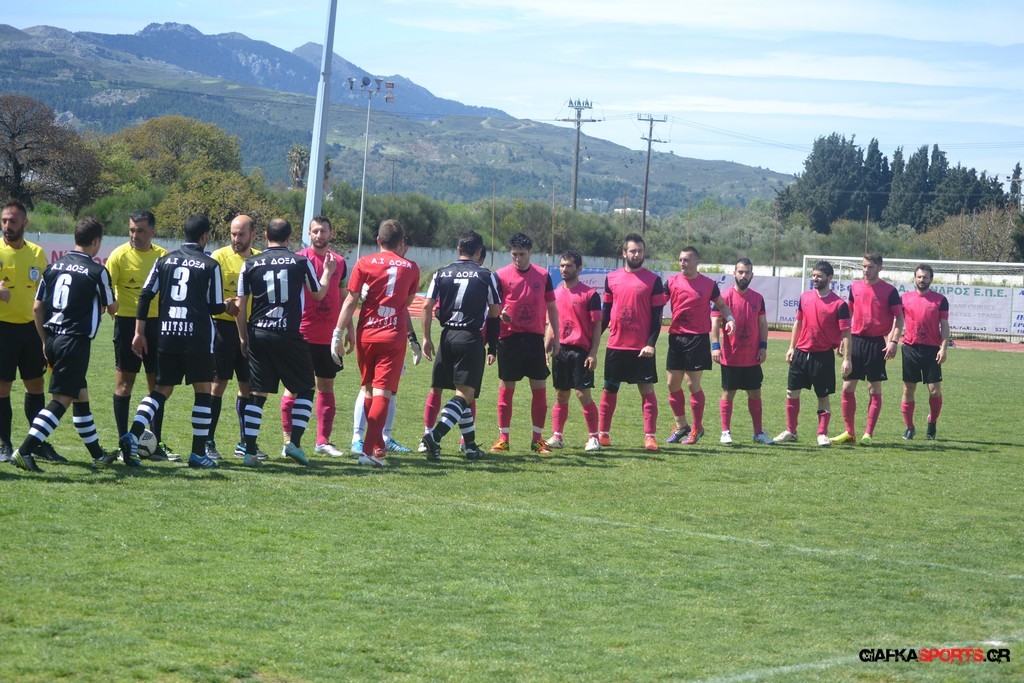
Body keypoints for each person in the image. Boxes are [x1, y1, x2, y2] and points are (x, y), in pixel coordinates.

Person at [119, 214, 237, 469]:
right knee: (203, 390)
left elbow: (145, 294)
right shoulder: (210, 265)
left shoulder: (164, 260)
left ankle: (133, 434)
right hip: (197, 338)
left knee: (160, 391)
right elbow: (214, 306)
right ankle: (198, 453)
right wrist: (228, 306)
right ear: (204, 237)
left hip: (168, 334)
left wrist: (139, 332)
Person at [11, 217, 117, 472]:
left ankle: (97, 454)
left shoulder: (53, 268)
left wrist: (45, 342)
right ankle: (24, 451)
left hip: (53, 339)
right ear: (96, 241)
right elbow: (113, 308)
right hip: (74, 342)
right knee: (62, 400)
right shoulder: (97, 271)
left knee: (81, 395)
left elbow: (37, 308)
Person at [236, 218, 335, 467]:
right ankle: (294, 443)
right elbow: (318, 294)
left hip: (259, 333)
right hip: (288, 334)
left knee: (257, 393)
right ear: (290, 238)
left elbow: (240, 305)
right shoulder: (300, 261)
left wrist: (243, 337)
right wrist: (327, 272)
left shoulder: (250, 263)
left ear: (265, 236)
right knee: (306, 388)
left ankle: (249, 451)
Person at [332, 219, 419, 466]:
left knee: (369, 390)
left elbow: (351, 300)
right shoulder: (411, 267)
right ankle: (368, 452)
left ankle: (378, 445)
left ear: (378, 240)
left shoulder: (364, 262)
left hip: (366, 334)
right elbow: (406, 302)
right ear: (401, 243)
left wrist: (337, 333)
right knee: (383, 393)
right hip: (391, 336)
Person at [420, 231, 502, 462]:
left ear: (458, 249)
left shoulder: (441, 272)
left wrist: (426, 338)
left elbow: (426, 307)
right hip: (469, 338)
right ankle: (434, 435)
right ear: (479, 252)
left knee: (464, 395)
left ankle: (471, 446)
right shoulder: (486, 275)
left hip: (447, 336)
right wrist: (492, 346)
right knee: (465, 394)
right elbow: (495, 312)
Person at [106, 210, 179, 461]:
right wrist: (113, 308)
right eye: (131, 230)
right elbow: (106, 290)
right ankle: (123, 443)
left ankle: (155, 442)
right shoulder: (118, 256)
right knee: (124, 384)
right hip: (127, 326)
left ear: (153, 232)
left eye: (140, 231)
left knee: (156, 386)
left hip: (157, 326)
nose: (134, 235)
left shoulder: (163, 257)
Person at [282, 215, 353, 458]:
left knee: (326, 386)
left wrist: (348, 330)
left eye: (323, 231)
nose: (319, 235)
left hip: (329, 337)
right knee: (293, 388)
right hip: (302, 334)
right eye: (315, 231)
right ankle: (288, 441)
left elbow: (344, 299)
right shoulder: (299, 260)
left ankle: (323, 441)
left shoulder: (340, 262)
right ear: (308, 234)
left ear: (331, 234)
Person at [0, 200, 60, 464]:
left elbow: (45, 294)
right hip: (3, 329)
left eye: (12, 221)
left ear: (25, 222)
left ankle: (36, 444)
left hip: (31, 330)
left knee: (35, 385)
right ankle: (4, 444)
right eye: (4, 220)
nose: (7, 225)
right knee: (3, 387)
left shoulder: (37, 253)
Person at [490, 232, 559, 454]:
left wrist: (556, 336)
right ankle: (503, 438)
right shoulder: (500, 276)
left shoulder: (543, 275)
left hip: (534, 339)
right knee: (506, 390)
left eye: (521, 254)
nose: (517, 259)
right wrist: (501, 315)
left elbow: (552, 307)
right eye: (514, 254)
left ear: (530, 252)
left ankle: (537, 440)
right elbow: (493, 308)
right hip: (509, 339)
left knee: (539, 391)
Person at [598, 233, 668, 452]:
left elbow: (657, 317)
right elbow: (605, 313)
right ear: (624, 253)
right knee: (609, 390)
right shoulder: (611, 278)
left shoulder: (653, 280)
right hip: (616, 345)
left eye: (640, 251)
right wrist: (592, 342)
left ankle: (650, 437)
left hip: (641, 348)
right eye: (633, 251)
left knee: (647, 391)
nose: (637, 254)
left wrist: (650, 343)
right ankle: (603, 434)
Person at [774, 261, 852, 447]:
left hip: (823, 356)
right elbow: (798, 322)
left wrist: (847, 359)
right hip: (801, 353)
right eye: (814, 275)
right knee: (791, 392)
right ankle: (791, 431)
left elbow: (846, 333)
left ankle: (822, 434)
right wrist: (791, 347)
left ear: (829, 278)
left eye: (819, 276)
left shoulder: (839, 304)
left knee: (822, 397)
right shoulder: (805, 297)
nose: (815, 279)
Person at [208, 214, 267, 461]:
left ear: (253, 235)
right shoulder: (218, 258)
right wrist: (224, 304)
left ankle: (244, 442)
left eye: (241, 234)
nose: (236, 238)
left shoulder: (260, 259)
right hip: (222, 329)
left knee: (248, 386)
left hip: (252, 329)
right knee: (217, 384)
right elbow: (208, 294)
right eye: (233, 234)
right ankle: (208, 441)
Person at [664, 246, 735, 446]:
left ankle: (697, 428)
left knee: (691, 384)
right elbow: (657, 302)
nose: (683, 263)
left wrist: (729, 318)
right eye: (680, 260)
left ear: (697, 261)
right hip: (676, 337)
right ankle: (682, 426)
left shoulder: (709, 284)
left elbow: (721, 305)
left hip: (697, 339)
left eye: (687, 260)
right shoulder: (671, 282)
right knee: (671, 384)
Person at [831, 252, 904, 446]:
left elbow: (899, 319)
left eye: (870, 267)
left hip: (876, 344)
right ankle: (849, 432)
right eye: (863, 266)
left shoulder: (889, 291)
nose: (866, 270)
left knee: (874, 388)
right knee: (847, 386)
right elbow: (848, 313)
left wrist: (893, 342)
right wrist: (842, 338)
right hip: (855, 341)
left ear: (880, 268)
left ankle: (868, 434)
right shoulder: (855, 287)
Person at [710, 258, 774, 445]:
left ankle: (758, 433)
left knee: (755, 393)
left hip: (752, 357)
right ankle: (725, 432)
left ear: (752, 275)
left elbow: (762, 324)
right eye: (740, 272)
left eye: (747, 272)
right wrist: (715, 346)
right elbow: (715, 323)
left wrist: (763, 346)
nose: (743, 275)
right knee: (728, 393)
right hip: (731, 356)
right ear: (734, 274)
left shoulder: (758, 298)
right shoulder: (724, 298)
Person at [544, 250, 603, 452]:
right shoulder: (555, 293)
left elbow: (597, 325)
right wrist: (546, 347)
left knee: (582, 394)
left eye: (569, 265)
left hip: (580, 351)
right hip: (560, 350)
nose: (564, 269)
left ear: (579, 268)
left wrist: (593, 352)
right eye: (562, 265)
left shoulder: (590, 294)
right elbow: (551, 324)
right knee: (561, 395)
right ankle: (557, 436)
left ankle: (594, 438)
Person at [899, 264, 949, 440]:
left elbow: (944, 326)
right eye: (919, 277)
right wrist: (891, 341)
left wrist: (943, 348)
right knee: (908, 389)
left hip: (932, 350)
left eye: (925, 277)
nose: (922, 280)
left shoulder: (940, 300)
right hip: (910, 348)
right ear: (915, 278)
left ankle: (932, 422)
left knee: (934, 391)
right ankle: (909, 427)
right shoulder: (904, 299)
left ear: (931, 279)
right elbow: (897, 322)